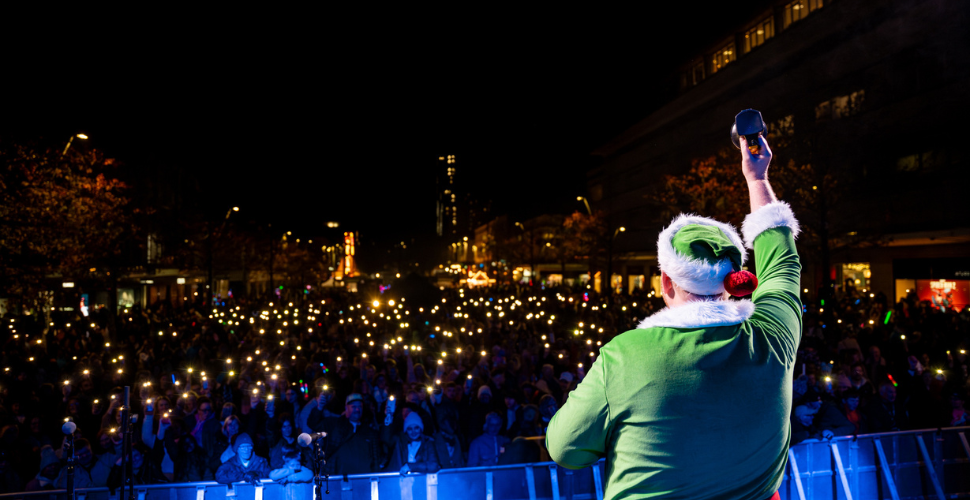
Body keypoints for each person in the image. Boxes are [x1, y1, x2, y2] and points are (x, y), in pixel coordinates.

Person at [547, 131, 802, 499]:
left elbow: (565, 448)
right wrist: (758, 178)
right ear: (733, 281)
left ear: (666, 281)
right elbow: (782, 262)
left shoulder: (624, 356)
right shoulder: (773, 336)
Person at [319, 394, 382, 475]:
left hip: (363, 481)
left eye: (360, 406)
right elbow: (314, 423)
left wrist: (376, 479)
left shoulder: (370, 432)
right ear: (346, 408)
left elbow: (375, 460)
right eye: (353, 406)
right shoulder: (335, 427)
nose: (357, 409)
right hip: (339, 480)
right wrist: (319, 408)